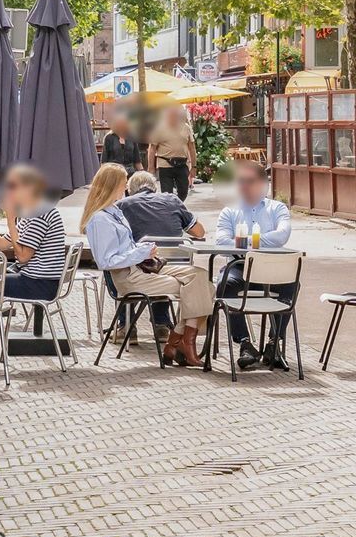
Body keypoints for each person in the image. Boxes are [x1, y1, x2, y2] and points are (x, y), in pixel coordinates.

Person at [82, 163, 212, 366]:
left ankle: (176, 341)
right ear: (113, 185)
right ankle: (183, 343)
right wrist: (140, 252)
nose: (125, 187)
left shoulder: (115, 211)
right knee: (202, 288)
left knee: (200, 276)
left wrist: (141, 249)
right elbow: (106, 261)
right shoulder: (100, 219)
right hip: (129, 277)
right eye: (123, 182)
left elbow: (125, 248)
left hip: (143, 267)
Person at [214, 160, 296, 371]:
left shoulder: (277, 208)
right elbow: (221, 242)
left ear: (263, 184)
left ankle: (274, 343)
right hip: (240, 267)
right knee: (224, 284)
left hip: (270, 269)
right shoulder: (229, 211)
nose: (244, 186)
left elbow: (281, 236)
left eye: (249, 181)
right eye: (240, 181)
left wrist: (244, 241)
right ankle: (244, 343)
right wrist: (258, 242)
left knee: (292, 283)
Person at [0, 164, 69, 301]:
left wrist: (11, 221)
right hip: (38, 280)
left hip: (39, 284)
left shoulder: (40, 214)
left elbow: (23, 257)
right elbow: (1, 245)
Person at [148, 105, 196, 201]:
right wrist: (151, 167)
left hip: (182, 164)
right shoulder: (159, 128)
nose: (173, 117)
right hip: (165, 165)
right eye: (171, 114)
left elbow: (192, 148)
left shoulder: (186, 127)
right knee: (167, 194)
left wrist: (194, 167)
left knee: (183, 191)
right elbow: (152, 148)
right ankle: (170, 207)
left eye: (175, 114)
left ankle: (176, 205)